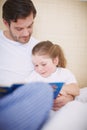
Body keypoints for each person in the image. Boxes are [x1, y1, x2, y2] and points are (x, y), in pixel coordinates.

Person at [0, 1, 54, 130]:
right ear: (6, 23)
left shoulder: (39, 48)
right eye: (19, 28)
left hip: (20, 101)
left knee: (44, 91)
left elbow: (55, 77)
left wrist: (67, 95)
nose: (26, 34)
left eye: (30, 26)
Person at [25, 40, 80, 110]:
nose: (39, 69)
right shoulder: (34, 75)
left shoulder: (64, 73)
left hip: (62, 109)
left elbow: (76, 90)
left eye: (43, 64)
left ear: (55, 61)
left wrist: (59, 88)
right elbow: (24, 89)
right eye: (36, 65)